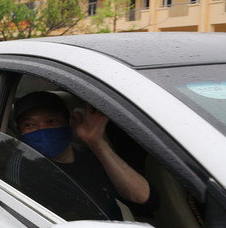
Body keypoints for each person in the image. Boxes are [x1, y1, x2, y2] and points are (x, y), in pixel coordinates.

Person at [8, 91, 150, 219]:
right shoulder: (21, 165)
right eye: (29, 125)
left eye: (51, 121)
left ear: (68, 122)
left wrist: (97, 143)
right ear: (21, 131)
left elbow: (140, 196)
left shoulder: (91, 155)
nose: (42, 130)